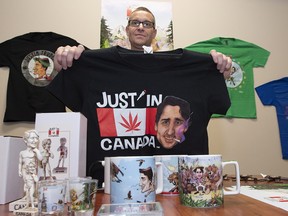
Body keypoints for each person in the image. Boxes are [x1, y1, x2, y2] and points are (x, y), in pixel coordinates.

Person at [53, 7, 232, 78]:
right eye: (135, 23)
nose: (140, 27)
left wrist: (218, 69)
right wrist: (63, 63)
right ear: (127, 29)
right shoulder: (102, 64)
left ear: (154, 32)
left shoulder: (176, 67)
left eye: (146, 24)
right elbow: (68, 81)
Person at [18, 129, 43, 209]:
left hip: (32, 172)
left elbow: (40, 158)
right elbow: (20, 163)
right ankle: (27, 198)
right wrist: (19, 171)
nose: (35, 140)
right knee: (26, 186)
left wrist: (37, 151)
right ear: (25, 140)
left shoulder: (35, 152)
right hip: (25, 171)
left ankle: (32, 199)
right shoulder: (22, 153)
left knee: (33, 186)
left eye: (36, 138)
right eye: (32, 138)